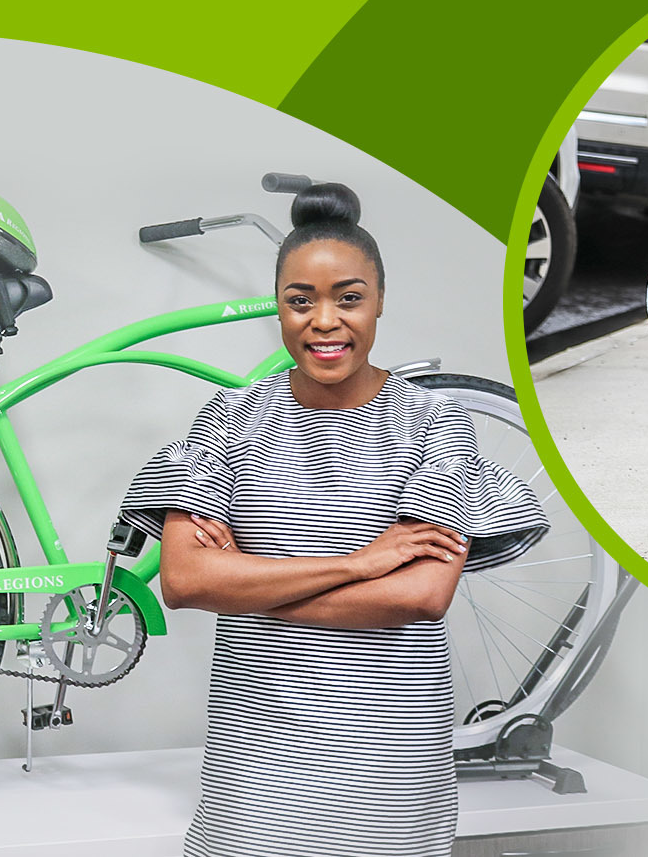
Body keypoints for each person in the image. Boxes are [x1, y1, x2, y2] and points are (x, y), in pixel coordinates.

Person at [119, 183, 549, 856]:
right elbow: (183, 578)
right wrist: (360, 562)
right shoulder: (229, 419)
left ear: (379, 301)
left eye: (349, 297)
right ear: (279, 306)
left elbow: (421, 595)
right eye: (301, 300)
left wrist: (246, 584)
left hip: (390, 773)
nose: (324, 320)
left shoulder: (436, 423)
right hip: (254, 771)